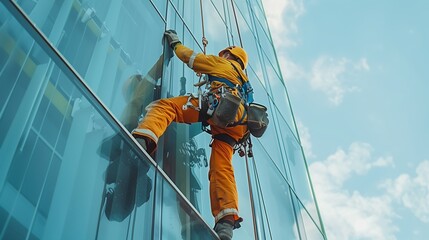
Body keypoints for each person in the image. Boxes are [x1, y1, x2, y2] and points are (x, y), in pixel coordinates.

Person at [132, 30, 253, 240]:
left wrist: (176, 44)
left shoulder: (222, 63)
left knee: (167, 107)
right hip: (239, 124)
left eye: (224, 53)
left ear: (229, 55)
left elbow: (191, 58)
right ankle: (226, 223)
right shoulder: (244, 81)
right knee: (222, 168)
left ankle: (144, 138)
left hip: (219, 103)